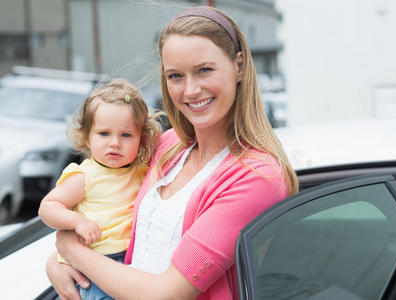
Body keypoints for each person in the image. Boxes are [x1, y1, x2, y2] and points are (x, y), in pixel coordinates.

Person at [46, 6, 299, 300]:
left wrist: (71, 250)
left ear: (238, 66)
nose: (190, 90)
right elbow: (107, 208)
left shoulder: (256, 176)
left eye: (204, 70)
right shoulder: (167, 146)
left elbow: (165, 294)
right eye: (176, 76)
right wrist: (57, 263)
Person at [39, 79, 161, 299]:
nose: (114, 143)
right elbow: (48, 207)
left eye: (126, 135)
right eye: (104, 134)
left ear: (141, 139)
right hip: (94, 264)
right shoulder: (84, 176)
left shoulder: (143, 170)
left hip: (132, 262)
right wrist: (78, 222)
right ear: (87, 136)